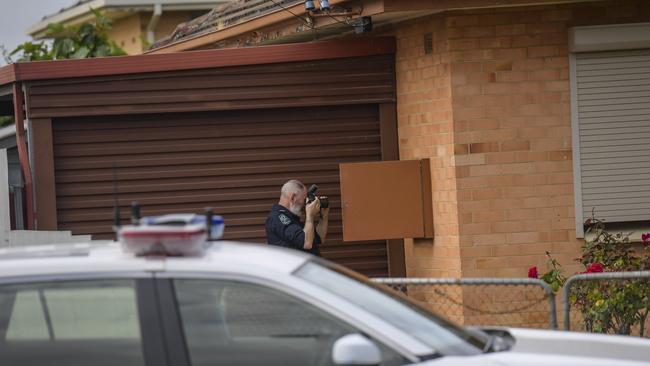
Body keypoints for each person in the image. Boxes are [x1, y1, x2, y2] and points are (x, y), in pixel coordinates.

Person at [265, 180, 329, 256]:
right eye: (304, 199)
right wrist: (309, 215)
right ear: (293, 197)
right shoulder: (278, 218)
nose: (305, 204)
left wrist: (324, 216)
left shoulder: (293, 217)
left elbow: (320, 238)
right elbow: (306, 243)